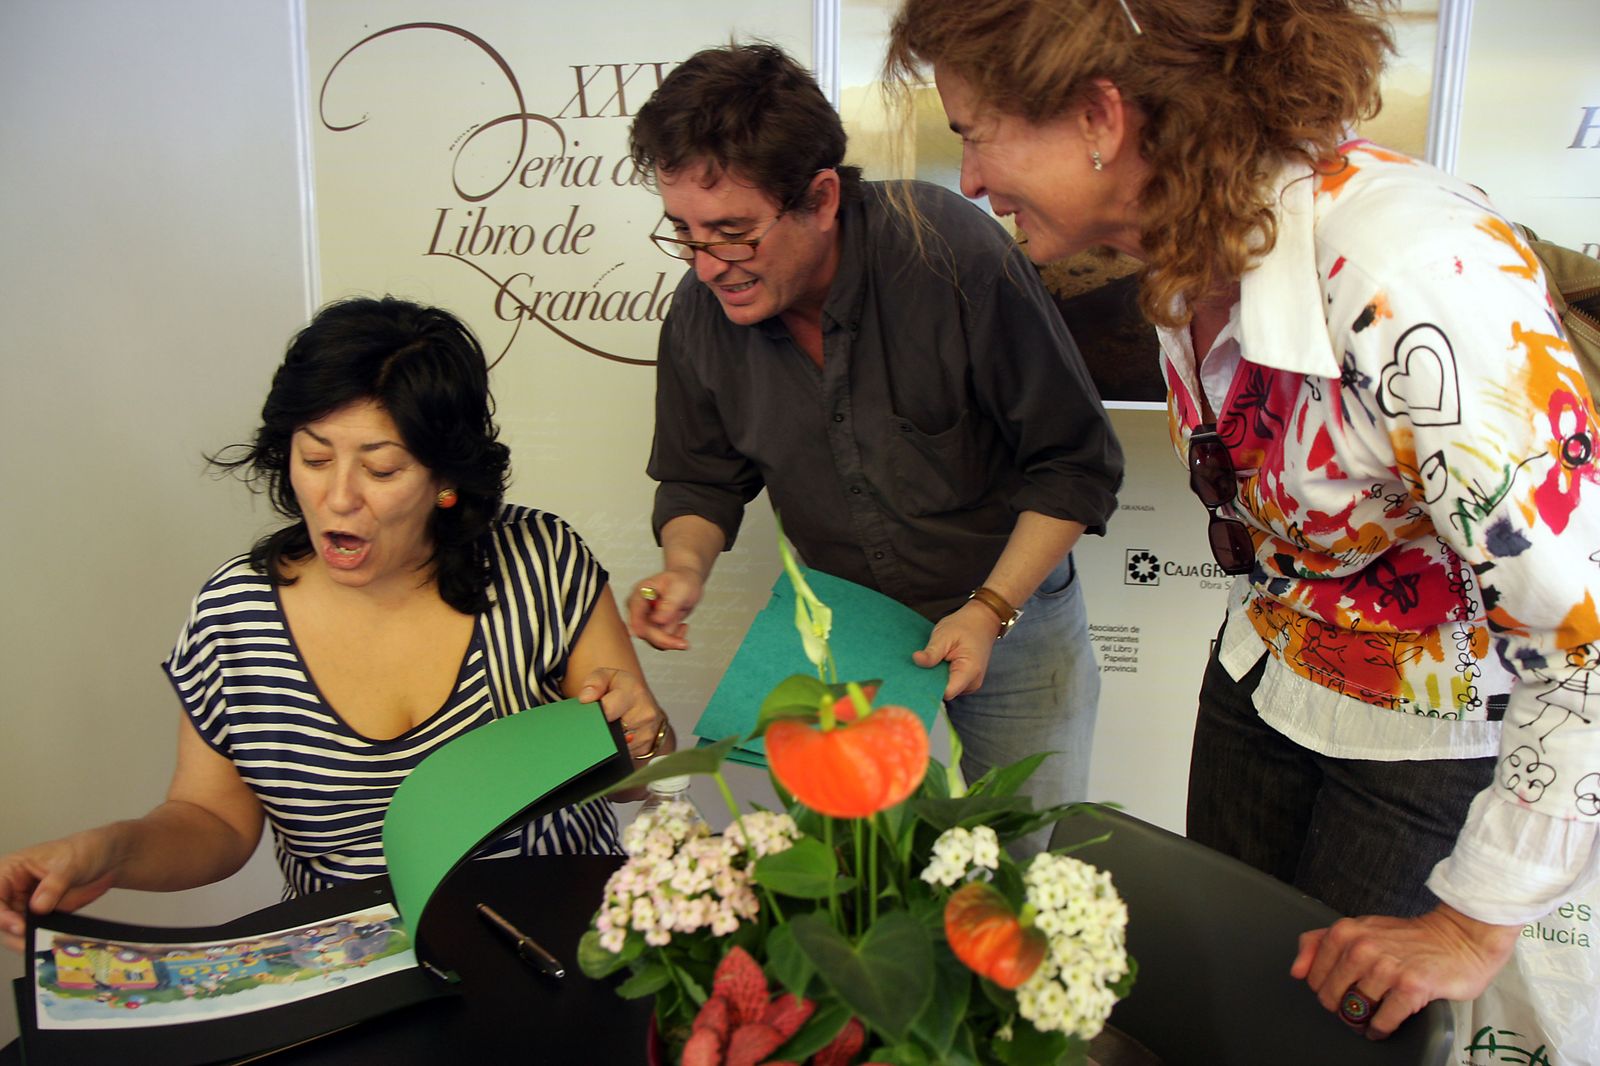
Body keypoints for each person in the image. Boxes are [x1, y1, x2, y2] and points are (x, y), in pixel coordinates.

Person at [885, 0, 1600, 1039]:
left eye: (972, 131)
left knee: (1327, 1038)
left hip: (1426, 736)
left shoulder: (1413, 275)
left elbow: (1584, 636)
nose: (970, 181)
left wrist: (1470, 919)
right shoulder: (1189, 247)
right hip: (1262, 680)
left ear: (1098, 116)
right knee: (1225, 1005)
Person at [0, 297, 672, 952]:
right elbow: (214, 823)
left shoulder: (541, 562)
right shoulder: (234, 614)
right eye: (315, 459)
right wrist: (109, 850)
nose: (338, 496)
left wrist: (642, 735)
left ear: (445, 479)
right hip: (354, 971)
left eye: (381, 468)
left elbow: (640, 771)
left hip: (559, 939)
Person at [623, 43, 1124, 850]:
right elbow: (698, 480)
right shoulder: (698, 315)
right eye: (683, 234)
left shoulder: (948, 253)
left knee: (1026, 864)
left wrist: (989, 611)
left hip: (1013, 616)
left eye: (733, 234)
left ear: (820, 198)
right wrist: (684, 566)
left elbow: (1074, 463)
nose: (708, 266)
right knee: (839, 880)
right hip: (846, 629)